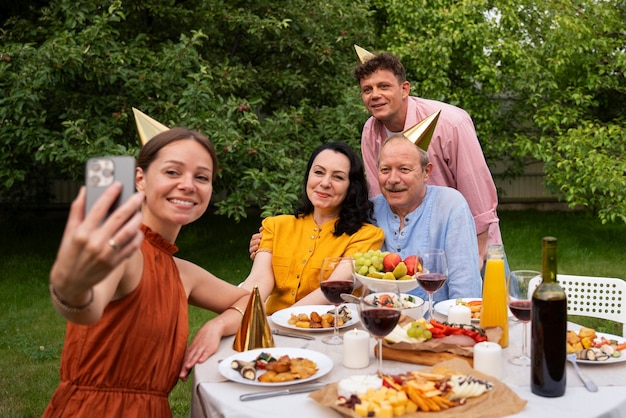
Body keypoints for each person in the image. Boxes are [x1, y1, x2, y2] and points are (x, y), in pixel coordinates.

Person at [44, 128, 251, 417]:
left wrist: (215, 327)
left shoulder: (182, 272)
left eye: (201, 177)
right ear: (140, 179)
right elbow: (86, 306)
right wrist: (71, 290)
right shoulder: (123, 250)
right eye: (172, 172)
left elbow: (250, 303)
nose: (188, 185)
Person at [354, 51, 503, 271]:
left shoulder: (451, 123)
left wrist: (479, 251)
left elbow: (477, 191)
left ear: (405, 89)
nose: (375, 95)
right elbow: (379, 197)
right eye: (367, 89)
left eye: (384, 86)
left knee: (482, 303)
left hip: (466, 239)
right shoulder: (370, 132)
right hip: (409, 245)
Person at [238, 142, 384, 315]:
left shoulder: (367, 236)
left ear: (351, 187)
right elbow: (259, 280)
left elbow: (332, 289)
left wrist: (281, 321)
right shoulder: (275, 226)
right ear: (308, 176)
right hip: (270, 326)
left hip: (327, 330)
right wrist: (238, 313)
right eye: (318, 172)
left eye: (337, 177)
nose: (325, 183)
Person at [374, 134, 482, 303]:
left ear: (426, 172)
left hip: (437, 325)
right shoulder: (370, 210)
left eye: (404, 169)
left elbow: (465, 287)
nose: (393, 179)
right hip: (380, 324)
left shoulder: (451, 205)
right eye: (385, 170)